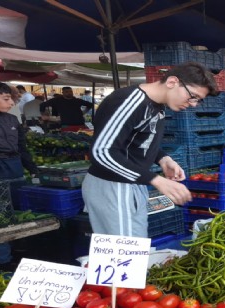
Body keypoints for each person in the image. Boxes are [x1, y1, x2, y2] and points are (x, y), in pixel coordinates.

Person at [82, 62, 216, 237]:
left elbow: (137, 140)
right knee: (126, 253)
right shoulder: (129, 101)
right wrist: (156, 180)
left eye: (198, 100)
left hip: (131, 184)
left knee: (134, 246)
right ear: (172, 82)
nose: (193, 104)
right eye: (193, 96)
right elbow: (102, 151)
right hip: (114, 186)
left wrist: (163, 158)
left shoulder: (157, 105)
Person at [0, 82, 39, 270]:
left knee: (18, 212)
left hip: (15, 169)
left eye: (12, 99)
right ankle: (4, 260)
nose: (11, 104)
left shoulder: (12, 120)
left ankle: (19, 251)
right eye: (6, 99)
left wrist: (32, 168)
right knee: (2, 216)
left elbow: (22, 148)